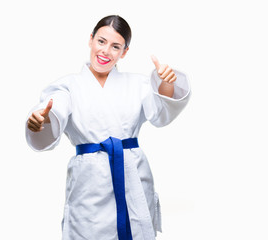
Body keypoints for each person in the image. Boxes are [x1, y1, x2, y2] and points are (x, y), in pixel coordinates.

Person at [26, 15, 191, 240]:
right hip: (89, 181)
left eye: (116, 46)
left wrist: (166, 83)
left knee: (136, 229)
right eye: (101, 41)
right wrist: (41, 120)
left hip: (133, 172)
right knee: (87, 231)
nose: (105, 51)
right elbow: (54, 109)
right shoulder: (69, 86)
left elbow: (161, 114)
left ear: (124, 52)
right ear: (91, 40)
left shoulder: (138, 84)